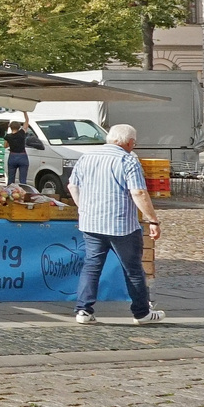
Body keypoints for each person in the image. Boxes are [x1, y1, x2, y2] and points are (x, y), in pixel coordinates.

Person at [67, 123, 165, 325]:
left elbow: (72, 185)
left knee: (92, 266)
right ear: (129, 142)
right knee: (133, 269)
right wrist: (152, 219)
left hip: (91, 222)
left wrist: (83, 207)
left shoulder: (87, 156)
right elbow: (138, 192)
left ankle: (83, 311)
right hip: (121, 225)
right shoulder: (127, 160)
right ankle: (141, 312)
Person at [5, 117, 32, 187]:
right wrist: (25, 112)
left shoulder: (8, 136)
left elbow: (5, 146)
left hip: (12, 156)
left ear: (10, 127)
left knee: (11, 179)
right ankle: (22, 192)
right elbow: (27, 121)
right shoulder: (21, 133)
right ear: (19, 127)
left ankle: (10, 192)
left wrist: (10, 143)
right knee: (23, 179)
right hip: (22, 156)